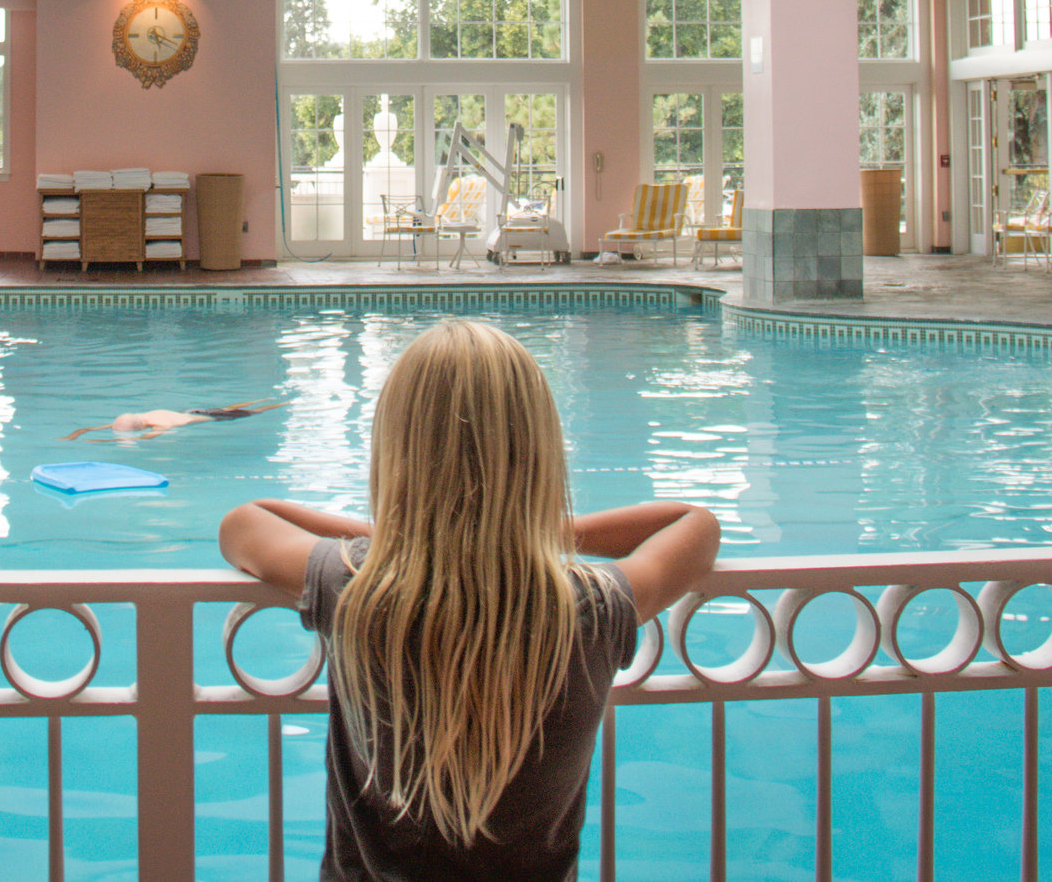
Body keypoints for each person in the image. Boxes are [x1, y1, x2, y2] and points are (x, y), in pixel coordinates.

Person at [218, 319, 720, 882]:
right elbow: (693, 524)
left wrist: (408, 537)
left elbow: (245, 523)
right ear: (539, 449)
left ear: (395, 448)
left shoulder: (356, 585)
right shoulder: (591, 609)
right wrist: (521, 530)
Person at [62, 398, 287, 442]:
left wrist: (106, 442)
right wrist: (76, 434)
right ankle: (264, 399)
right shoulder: (143, 417)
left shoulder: (161, 425)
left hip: (212, 419)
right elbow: (94, 427)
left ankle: (277, 403)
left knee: (256, 412)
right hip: (196, 411)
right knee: (229, 407)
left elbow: (148, 438)